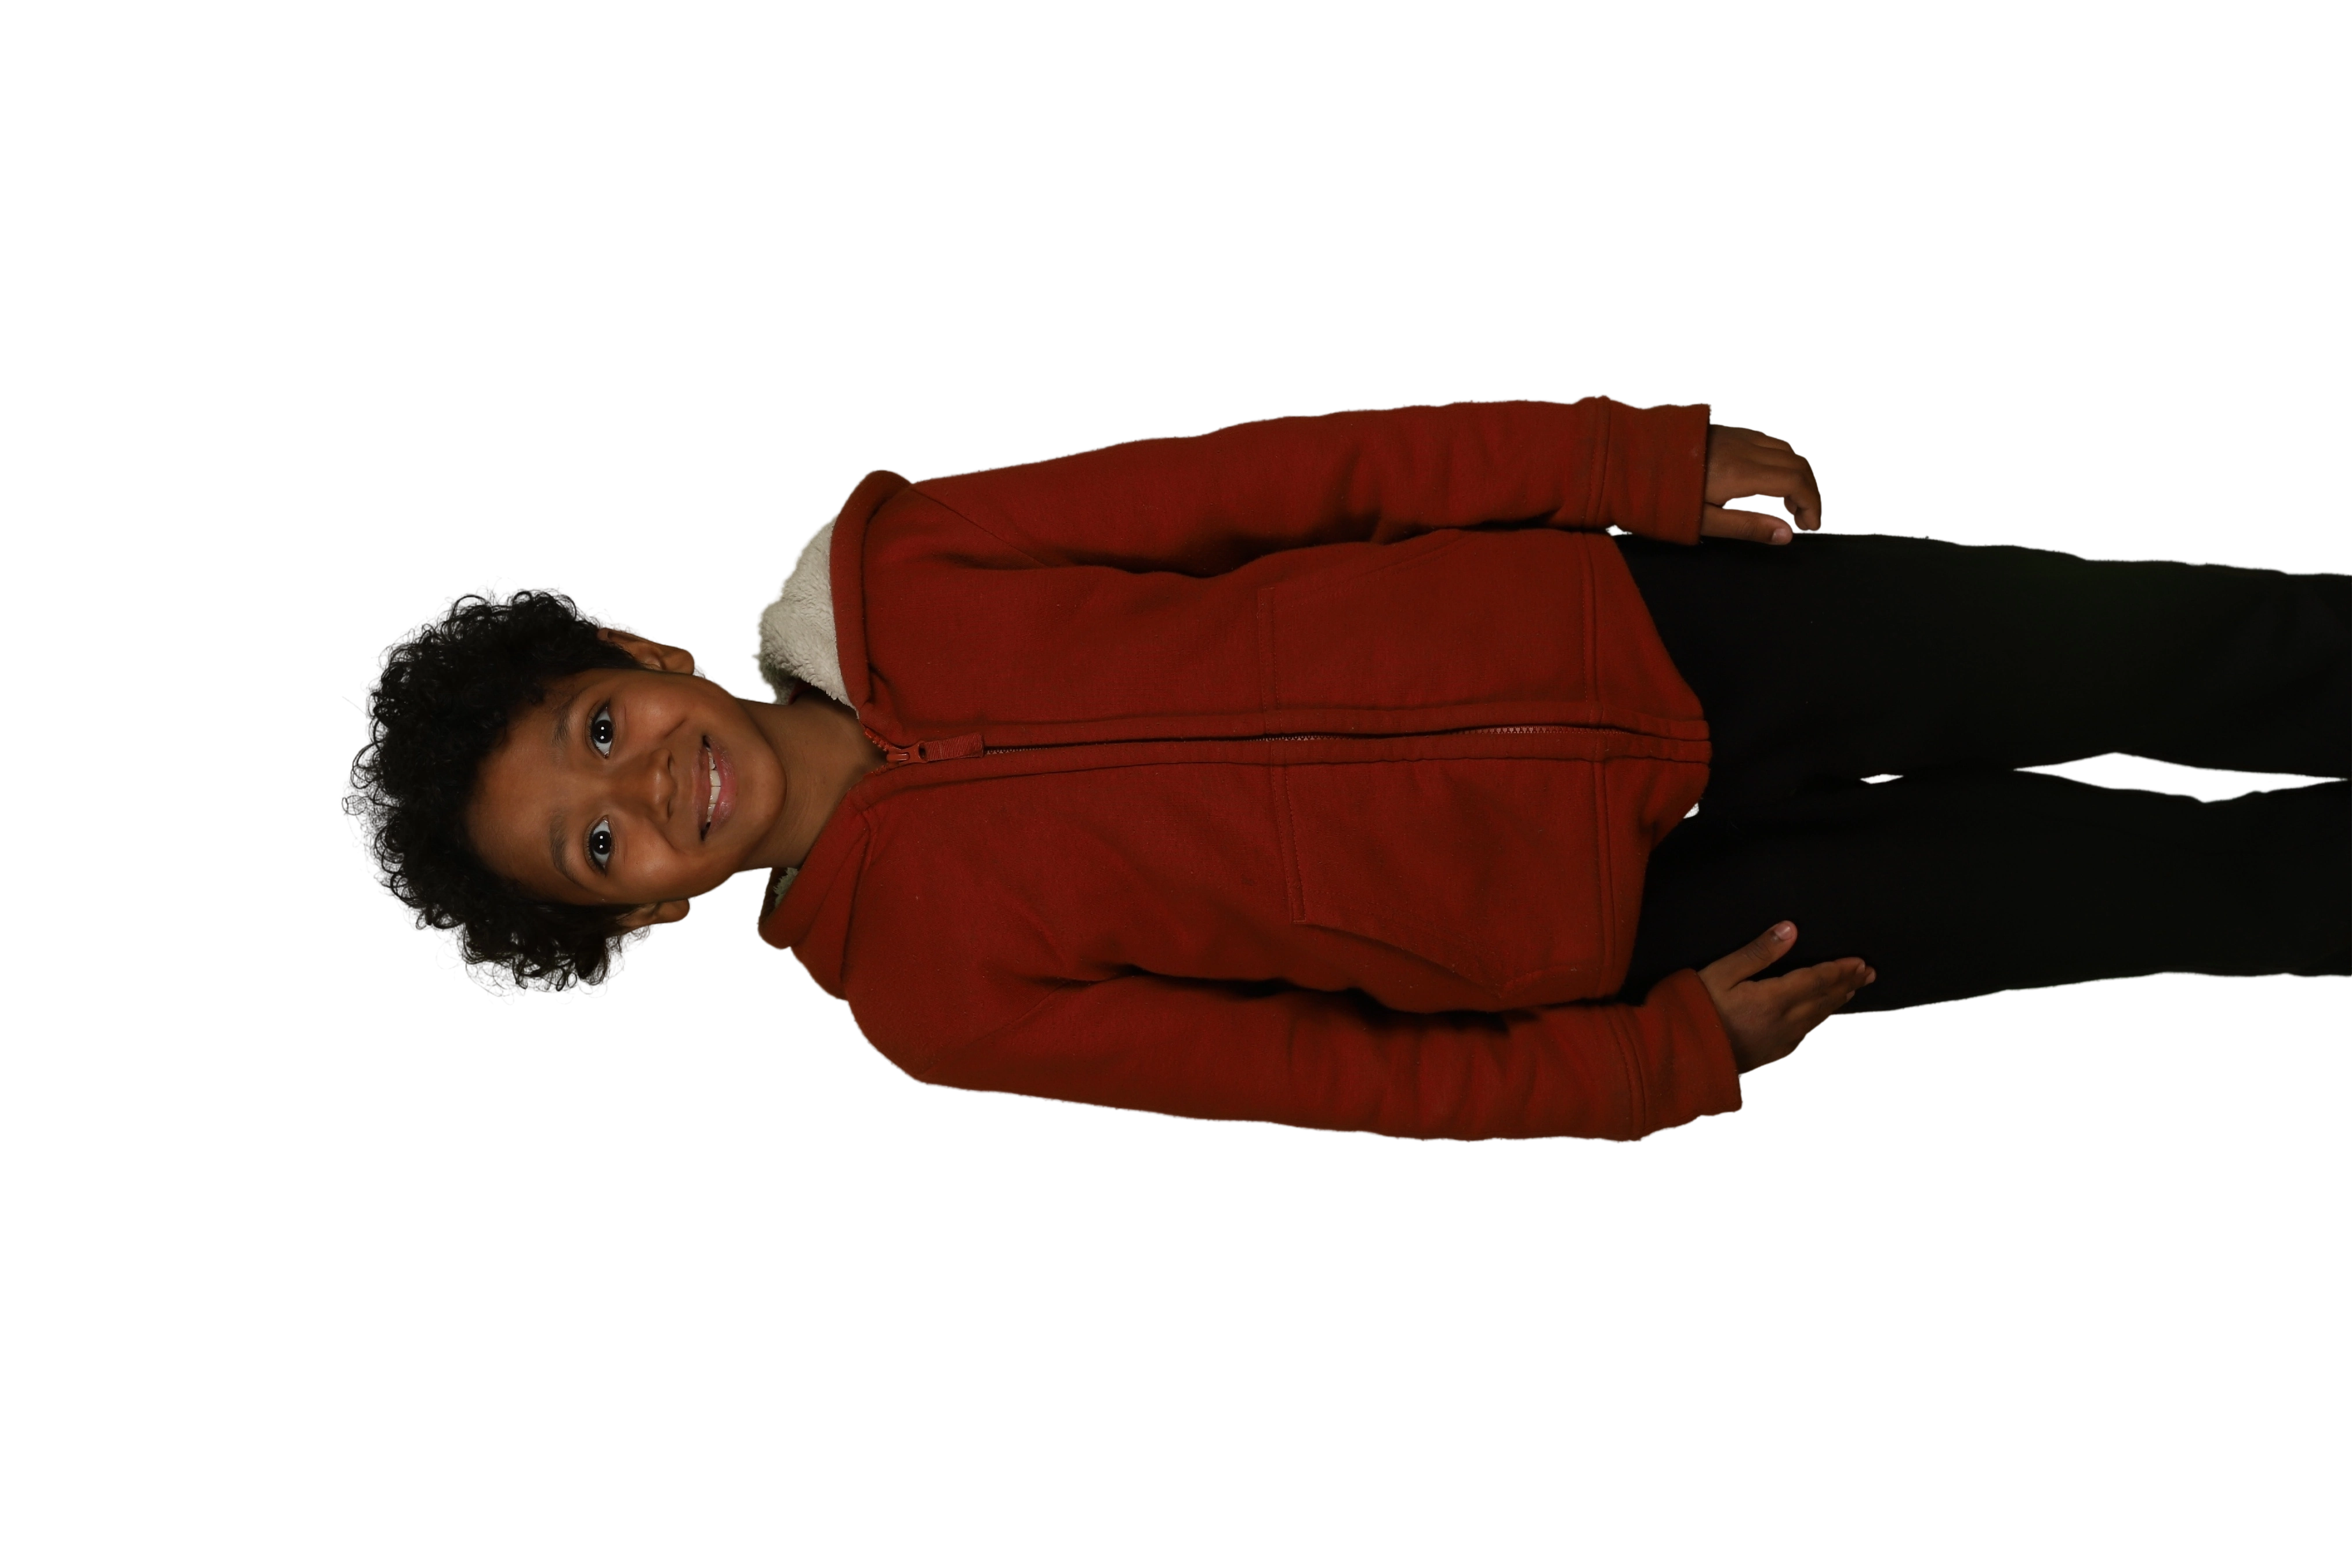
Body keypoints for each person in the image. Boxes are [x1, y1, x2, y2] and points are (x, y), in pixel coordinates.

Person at [340, 393, 2352, 1143]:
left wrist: (1612, 462)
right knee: (2148, 891)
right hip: (1641, 929)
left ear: (635, 654)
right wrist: (1646, 1066)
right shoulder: (930, 1003)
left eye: (599, 734)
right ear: (635, 924)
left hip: (1647, 619)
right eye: (595, 850)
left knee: (2184, 644)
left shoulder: (911, 560)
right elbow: (1322, 1073)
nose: (648, 793)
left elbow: (1294, 479)